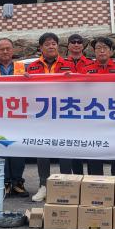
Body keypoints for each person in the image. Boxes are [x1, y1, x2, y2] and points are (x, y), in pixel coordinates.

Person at [27, 32, 76, 202]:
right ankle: (43, 186)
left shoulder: (68, 65)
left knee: (65, 149)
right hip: (43, 115)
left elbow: (81, 87)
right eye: (47, 44)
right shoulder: (32, 67)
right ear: (41, 48)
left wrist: (73, 80)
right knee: (43, 150)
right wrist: (24, 81)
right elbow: (26, 91)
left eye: (54, 43)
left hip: (64, 114)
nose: (51, 46)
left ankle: (65, 184)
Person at [79, 37, 115, 177]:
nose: (101, 51)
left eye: (105, 48)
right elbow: (78, 94)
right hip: (94, 119)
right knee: (95, 154)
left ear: (111, 51)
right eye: (98, 48)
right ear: (94, 52)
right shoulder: (86, 70)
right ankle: (96, 185)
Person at [0, 37, 27, 197]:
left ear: (13, 50)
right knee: (0, 147)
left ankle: (17, 181)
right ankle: (3, 182)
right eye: (1, 49)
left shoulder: (22, 67)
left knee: (17, 148)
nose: (5, 51)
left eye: (8, 48)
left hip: (17, 115)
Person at [60, 34, 92, 175]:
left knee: (90, 147)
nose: (76, 44)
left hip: (89, 110)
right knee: (72, 148)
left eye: (79, 42)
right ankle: (75, 178)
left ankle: (91, 180)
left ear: (83, 45)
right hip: (68, 110)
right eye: (73, 42)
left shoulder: (91, 63)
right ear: (68, 45)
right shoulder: (60, 63)